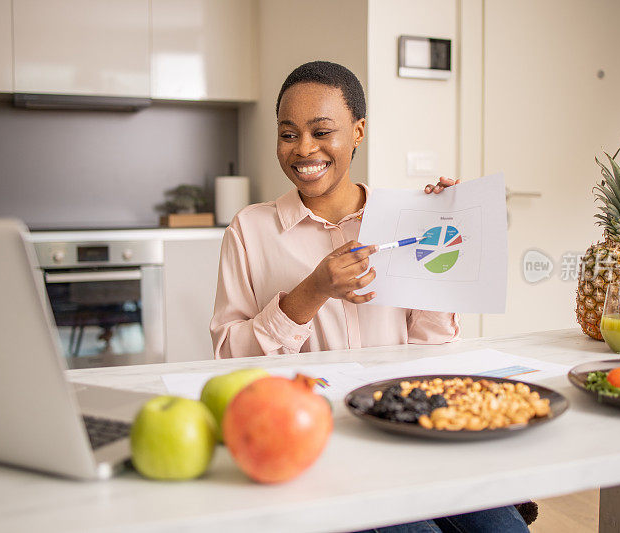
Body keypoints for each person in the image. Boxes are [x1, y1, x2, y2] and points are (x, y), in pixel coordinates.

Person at [210, 61, 528, 533]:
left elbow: (431, 343)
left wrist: (446, 231)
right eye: (288, 133)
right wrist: (312, 291)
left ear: (358, 132)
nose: (304, 150)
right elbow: (225, 360)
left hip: (412, 428)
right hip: (320, 441)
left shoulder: (404, 220)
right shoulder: (250, 230)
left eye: (322, 131)